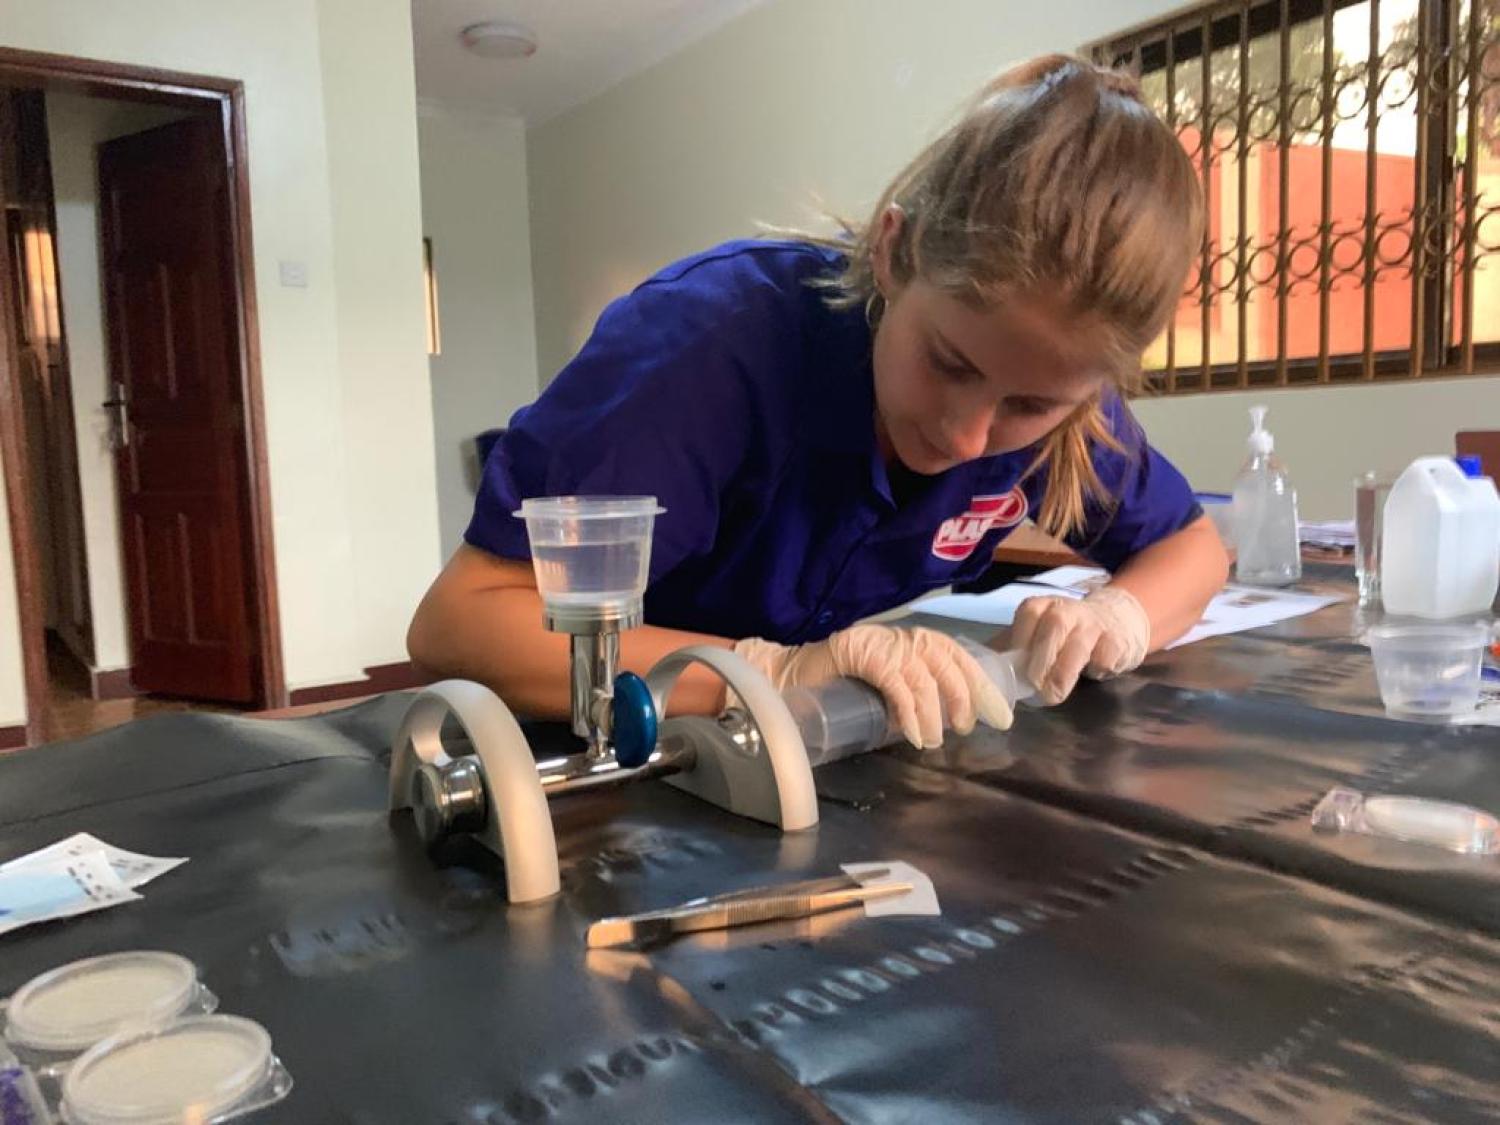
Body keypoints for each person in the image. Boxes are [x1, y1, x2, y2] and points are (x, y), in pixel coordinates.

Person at [408, 54, 1229, 749]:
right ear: (893, 250)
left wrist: (1117, 617)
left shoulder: (1062, 401)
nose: (968, 435)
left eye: (1031, 405)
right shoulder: (709, 347)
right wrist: (771, 672)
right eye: (947, 362)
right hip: (610, 735)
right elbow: (461, 623)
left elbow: (1194, 550)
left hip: (800, 754)